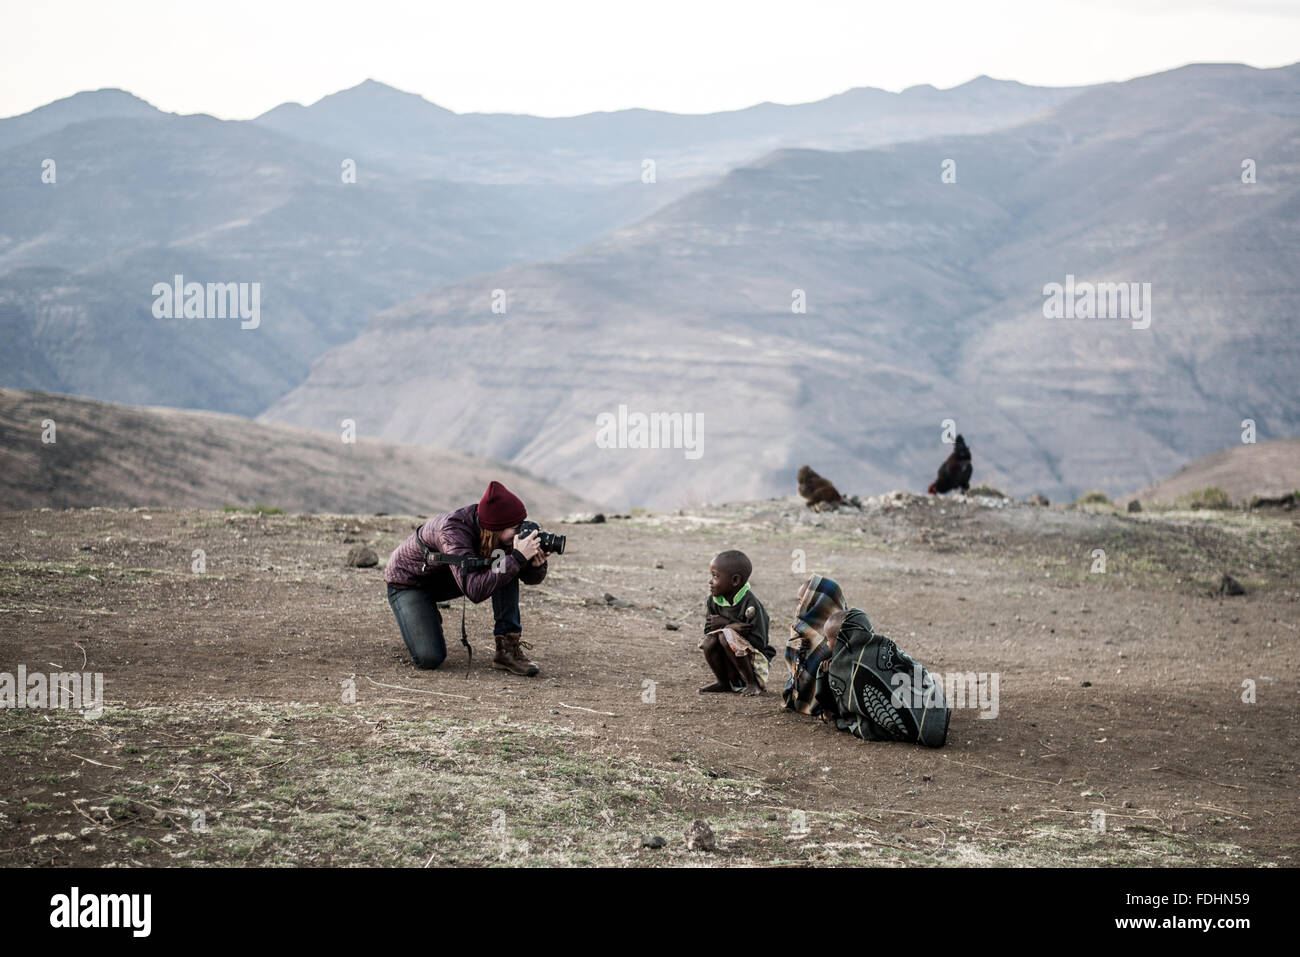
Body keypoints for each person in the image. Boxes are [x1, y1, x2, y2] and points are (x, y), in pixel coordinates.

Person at [384, 481, 550, 676]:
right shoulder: (453, 531)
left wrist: (536, 565)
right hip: (410, 583)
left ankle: (507, 650)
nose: (519, 533)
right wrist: (517, 558)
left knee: (505, 565)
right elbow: (474, 591)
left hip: (447, 576)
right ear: (496, 527)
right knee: (429, 659)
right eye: (516, 528)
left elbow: (529, 579)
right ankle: (422, 611)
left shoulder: (495, 536)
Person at [784, 575, 949, 747]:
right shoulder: (851, 628)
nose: (799, 606)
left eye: (802, 601)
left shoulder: (844, 642)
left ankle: (921, 719)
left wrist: (827, 679)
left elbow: (847, 696)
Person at [699, 550, 773, 695]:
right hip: (730, 661)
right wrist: (730, 626)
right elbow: (708, 631)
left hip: (755, 661)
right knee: (711, 641)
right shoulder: (713, 601)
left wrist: (728, 628)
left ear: (735, 581)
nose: (710, 581)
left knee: (725, 637)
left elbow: (760, 642)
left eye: (715, 576)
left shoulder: (751, 604)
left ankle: (752, 684)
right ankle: (723, 682)